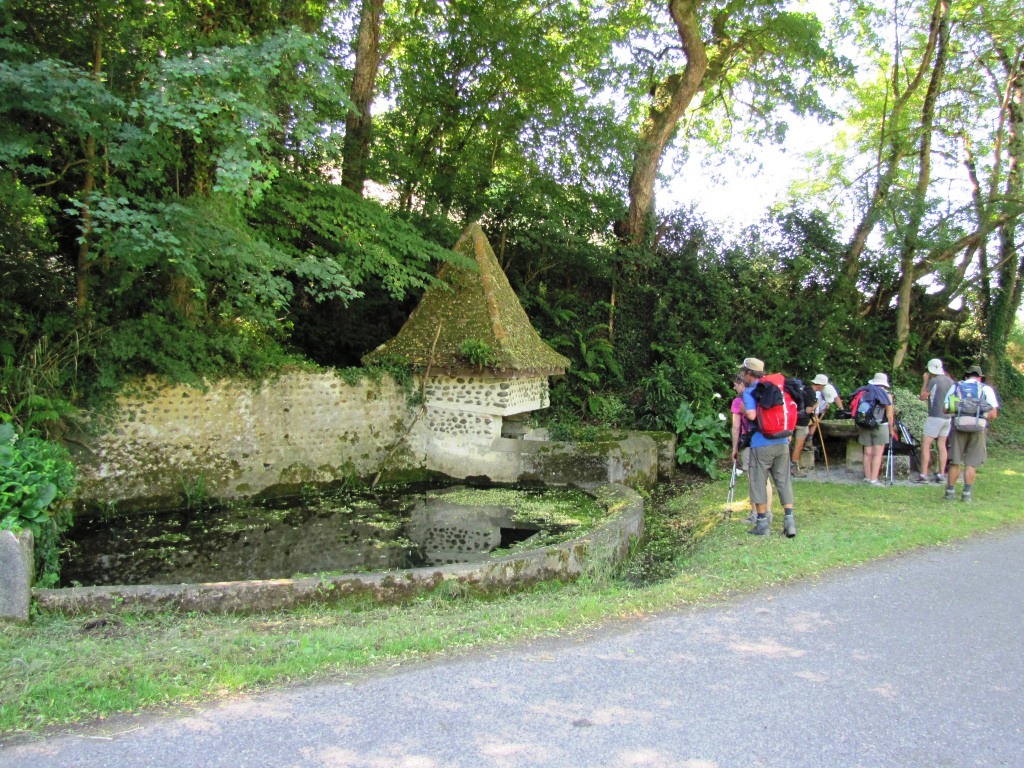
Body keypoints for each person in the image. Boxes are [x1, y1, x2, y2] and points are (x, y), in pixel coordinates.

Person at [738, 357, 796, 537]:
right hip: (782, 442)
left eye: (743, 372)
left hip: (761, 443)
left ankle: (762, 524)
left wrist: (742, 409)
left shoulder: (751, 391)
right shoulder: (779, 387)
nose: (742, 376)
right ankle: (789, 521)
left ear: (749, 374)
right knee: (783, 480)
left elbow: (752, 415)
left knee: (758, 481)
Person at [943, 364, 1000, 502]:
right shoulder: (986, 389)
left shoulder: (956, 387)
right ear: (980, 377)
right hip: (978, 429)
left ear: (966, 375)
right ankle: (967, 494)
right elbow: (993, 414)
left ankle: (950, 492)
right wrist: (979, 416)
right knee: (971, 463)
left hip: (958, 426)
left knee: (955, 462)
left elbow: (946, 409)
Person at [729, 374, 772, 522]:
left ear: (742, 384)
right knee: (765, 478)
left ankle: (756, 513)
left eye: (735, 384)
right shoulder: (760, 397)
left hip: (749, 442)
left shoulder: (738, 401)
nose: (734, 387)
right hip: (765, 440)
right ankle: (768, 512)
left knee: (753, 478)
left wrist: (734, 448)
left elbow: (736, 427)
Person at [853, 373, 896, 486]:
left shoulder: (865, 393)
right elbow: (890, 414)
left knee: (867, 452)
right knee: (877, 453)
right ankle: (874, 479)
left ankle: (867, 477)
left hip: (865, 425)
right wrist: (891, 429)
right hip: (880, 426)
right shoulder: (887, 395)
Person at [917, 358, 954, 484]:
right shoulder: (951, 381)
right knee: (942, 445)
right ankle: (941, 474)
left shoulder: (933, 380)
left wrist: (925, 381)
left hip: (935, 416)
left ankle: (924, 474)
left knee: (926, 444)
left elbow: (922, 396)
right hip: (947, 417)